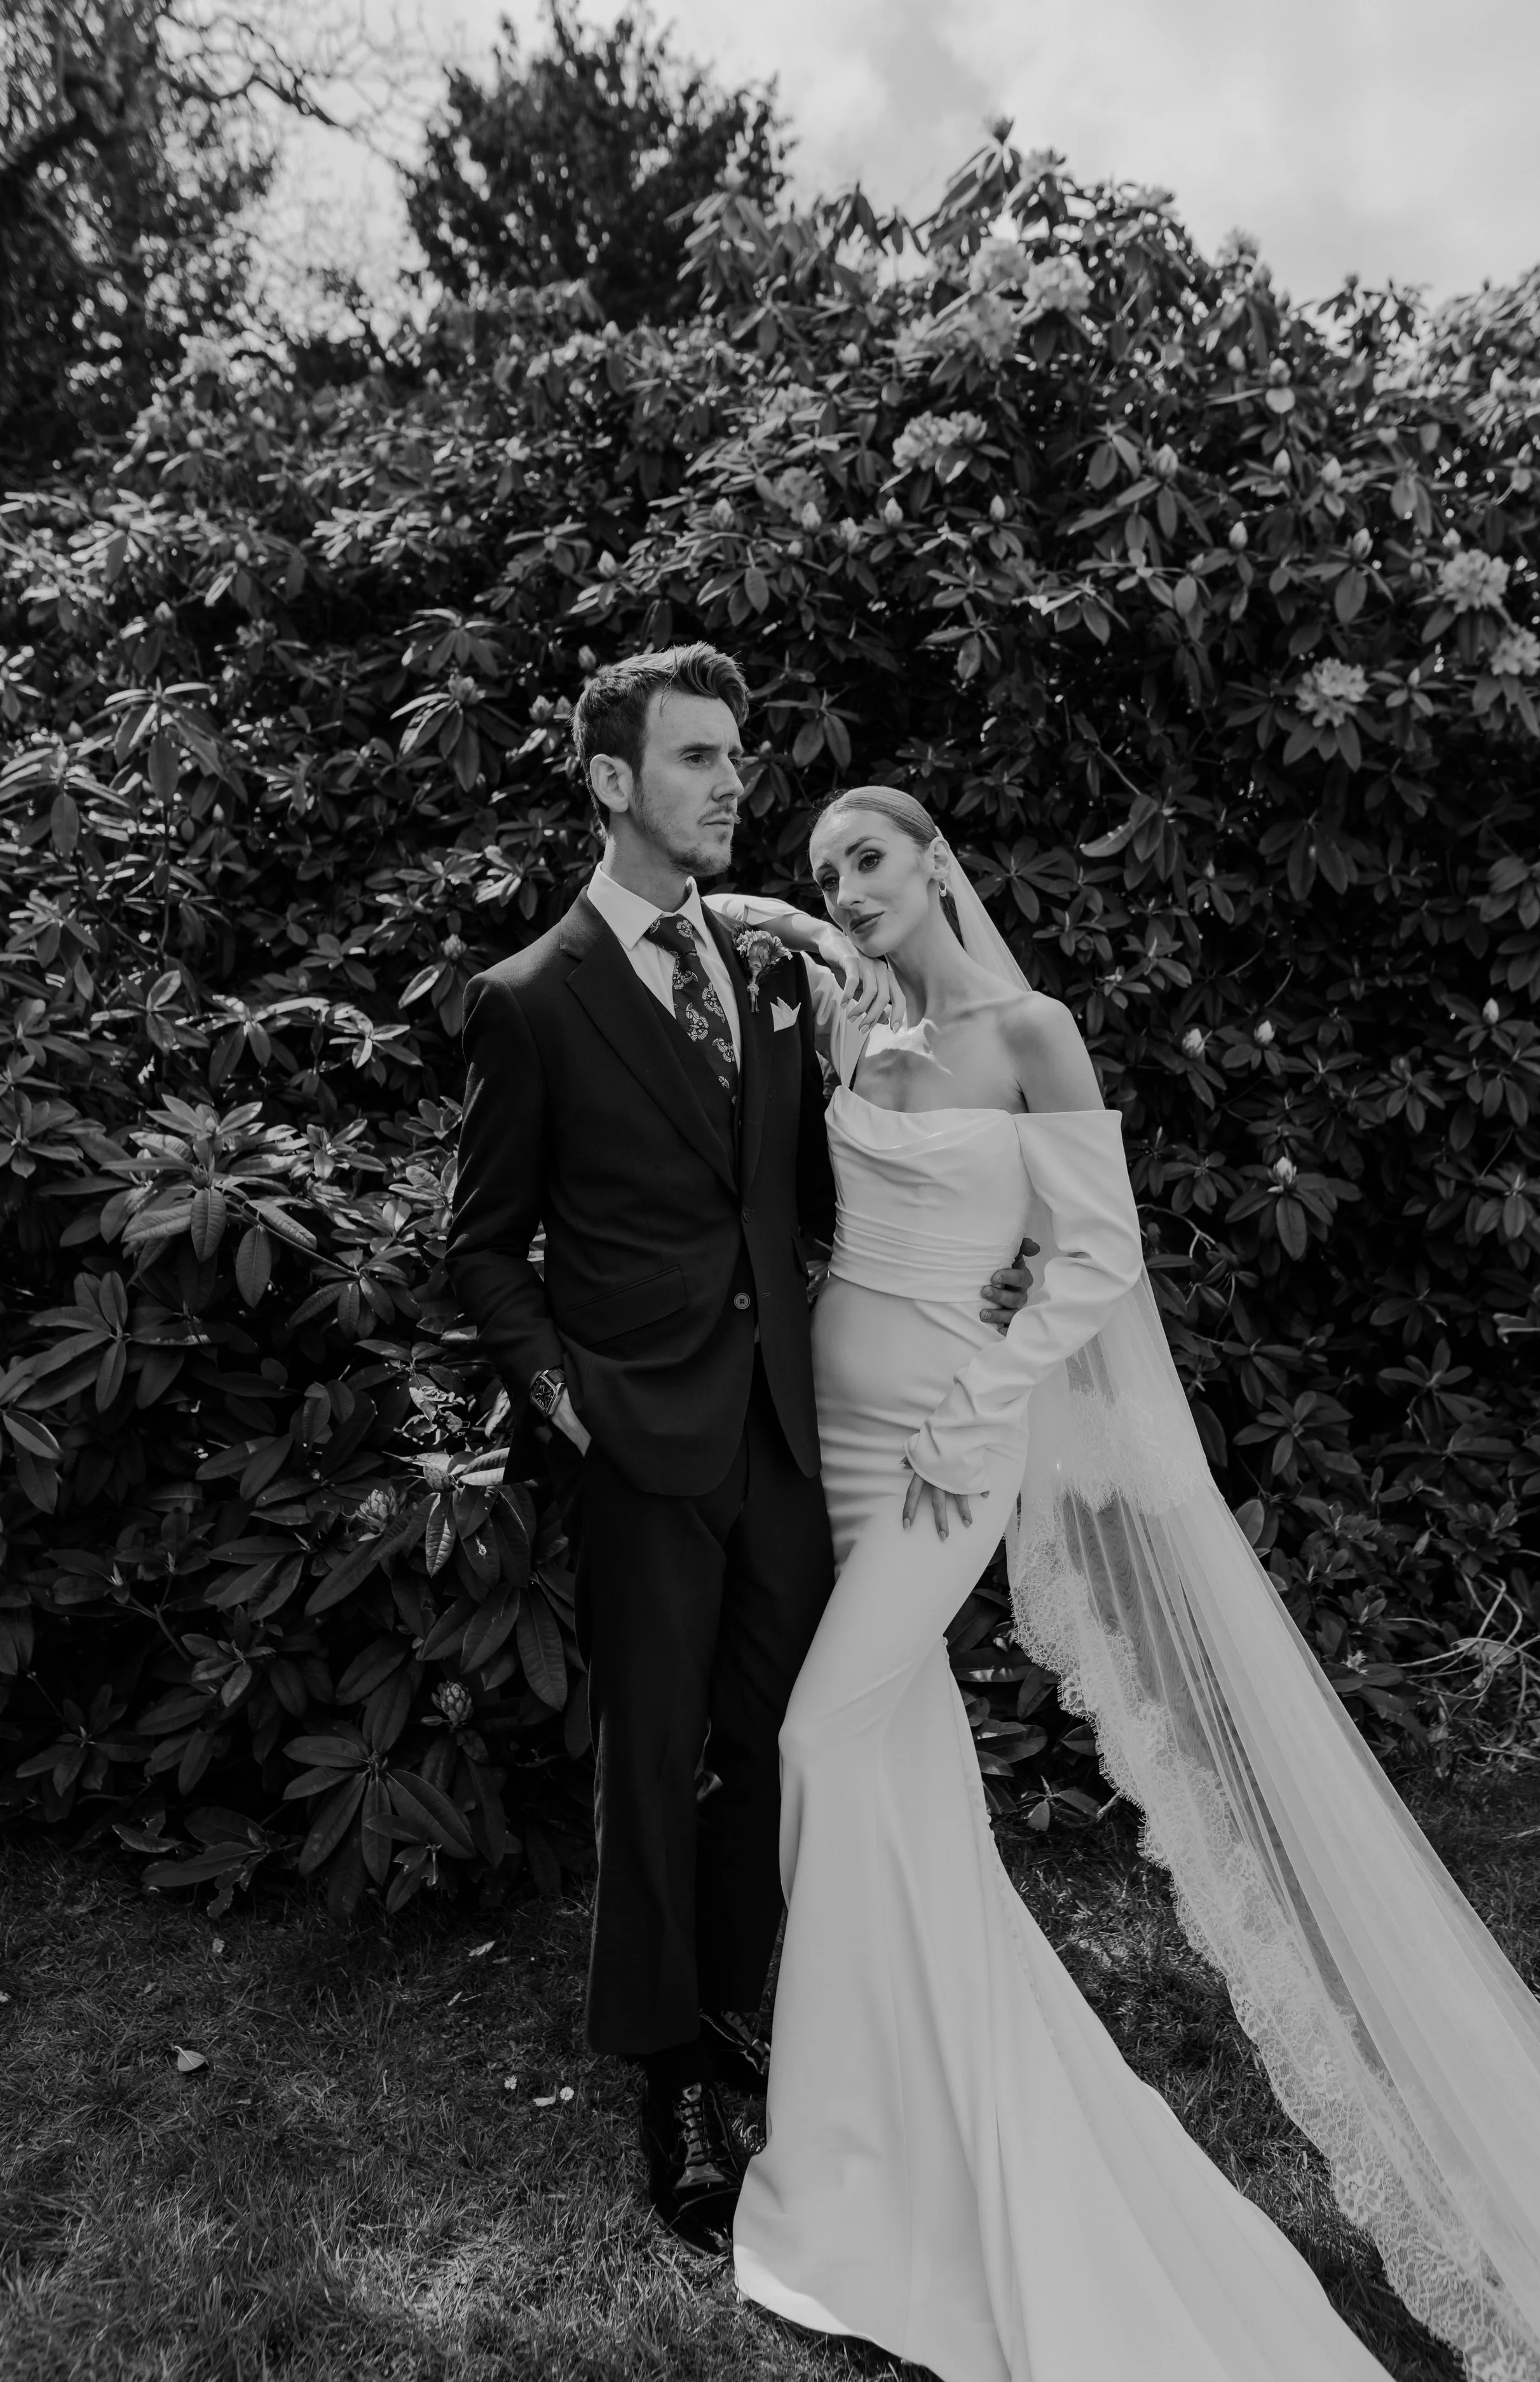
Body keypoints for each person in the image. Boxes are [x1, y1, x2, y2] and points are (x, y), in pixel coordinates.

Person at [707, 786, 1540, 2382]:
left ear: (934, 864)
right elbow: (773, 986)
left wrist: (981, 1400)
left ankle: (862, 2138)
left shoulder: (1026, 1028)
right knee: (895, 1779)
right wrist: (764, 920)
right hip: (829, 1431)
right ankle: (894, 2134)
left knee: (816, 1744)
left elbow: (1095, 1250)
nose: (843, 888)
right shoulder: (855, 1027)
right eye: (824, 870)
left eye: (868, 859)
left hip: (942, 1446)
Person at [444, 650, 1032, 2248]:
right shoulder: (528, 1000)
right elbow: (482, 1245)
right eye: (695, 757)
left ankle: (741, 2006)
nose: (729, 784)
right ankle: (671, 2077)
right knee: (651, 1759)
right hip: (637, 1438)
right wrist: (563, 1400)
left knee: (780, 1742)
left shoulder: (769, 963)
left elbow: (824, 1165)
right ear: (612, 780)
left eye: (733, 757)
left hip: (782, 1425)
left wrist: (965, 1249)